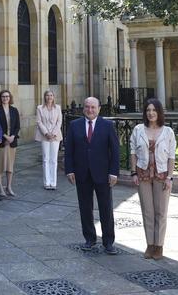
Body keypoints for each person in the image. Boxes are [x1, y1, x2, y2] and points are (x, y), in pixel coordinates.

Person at [64, 97, 120, 255]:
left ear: (99, 108)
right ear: (83, 109)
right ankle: (89, 239)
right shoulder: (74, 125)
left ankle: (108, 242)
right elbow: (69, 150)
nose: (90, 110)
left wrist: (113, 172)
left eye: (93, 107)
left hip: (102, 174)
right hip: (82, 173)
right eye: (87, 107)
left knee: (106, 208)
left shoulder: (107, 125)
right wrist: (69, 170)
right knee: (85, 208)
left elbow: (114, 151)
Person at [130, 98, 176, 260]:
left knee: (161, 212)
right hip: (143, 175)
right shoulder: (138, 129)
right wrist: (133, 173)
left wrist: (170, 177)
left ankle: (159, 245)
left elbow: (171, 156)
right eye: (148, 110)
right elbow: (133, 152)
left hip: (162, 175)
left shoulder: (168, 132)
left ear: (159, 112)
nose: (151, 113)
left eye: (154, 110)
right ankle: (150, 244)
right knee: (147, 211)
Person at [35, 90, 62, 190]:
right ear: (44, 97)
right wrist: (46, 133)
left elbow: (59, 122)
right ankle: (47, 182)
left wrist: (53, 133)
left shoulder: (58, 108)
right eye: (47, 95)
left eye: (51, 95)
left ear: (54, 97)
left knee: (54, 159)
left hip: (55, 136)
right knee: (46, 158)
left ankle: (53, 182)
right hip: (44, 135)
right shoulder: (39, 108)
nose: (49, 97)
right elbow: (39, 121)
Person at [0, 90, 21, 197]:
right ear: (0, 98)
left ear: (10, 98)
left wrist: (12, 137)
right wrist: (5, 137)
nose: (5, 98)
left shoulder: (14, 110)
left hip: (12, 142)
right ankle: (0, 187)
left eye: (7, 96)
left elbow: (17, 126)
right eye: (3, 96)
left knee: (10, 167)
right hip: (2, 142)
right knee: (0, 166)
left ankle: (9, 186)